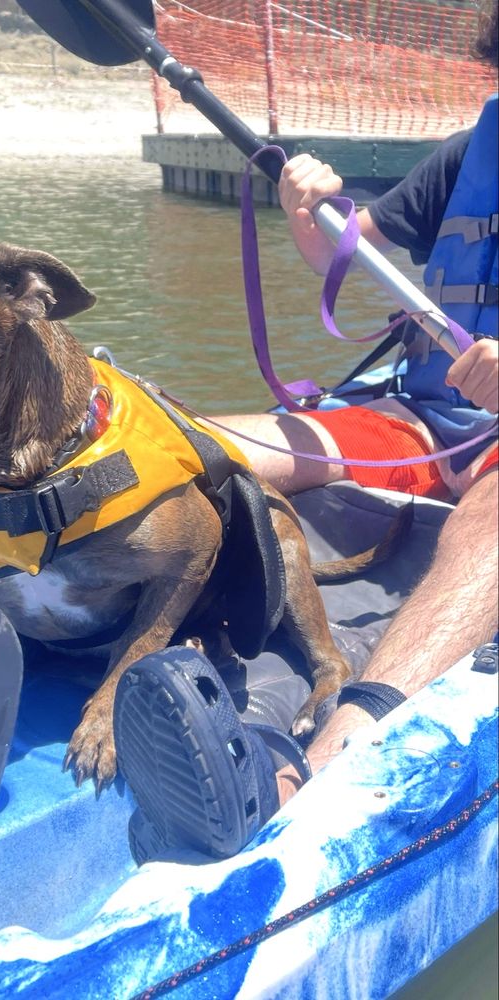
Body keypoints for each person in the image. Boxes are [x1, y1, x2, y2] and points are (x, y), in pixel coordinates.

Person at [113, 0, 497, 859]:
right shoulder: (472, 153)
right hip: (427, 419)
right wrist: (306, 208)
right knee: (197, 441)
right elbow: (344, 251)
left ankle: (316, 765)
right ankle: (29, 573)